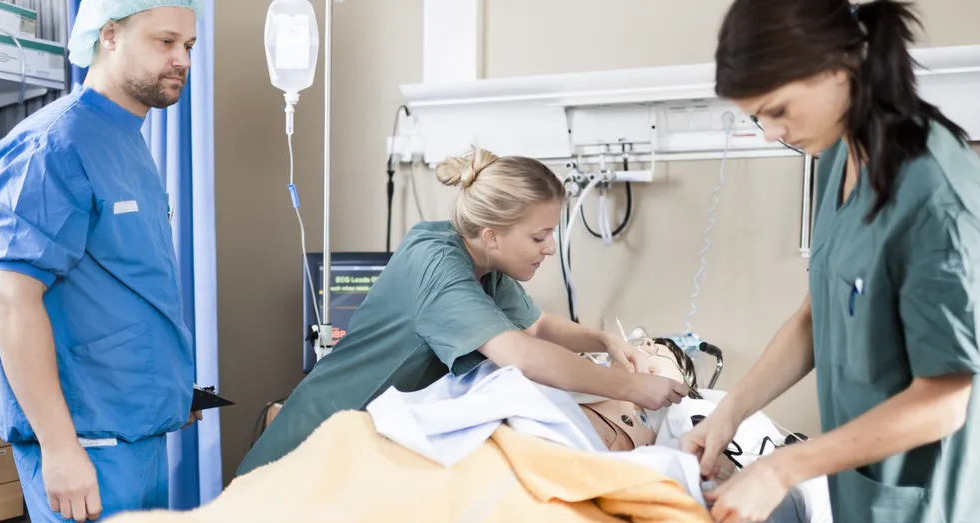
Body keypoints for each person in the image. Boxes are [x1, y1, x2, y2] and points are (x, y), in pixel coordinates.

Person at [681, 1, 980, 523]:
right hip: (889, 516)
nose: (770, 134)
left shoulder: (934, 190)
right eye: (755, 118)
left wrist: (783, 468)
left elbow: (944, 398)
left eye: (775, 109)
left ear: (838, 68)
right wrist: (730, 412)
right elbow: (815, 314)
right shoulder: (838, 158)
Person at [238, 147, 690, 475]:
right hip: (306, 449)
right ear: (492, 234)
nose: (551, 248)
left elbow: (538, 327)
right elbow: (524, 355)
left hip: (362, 450)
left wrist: (607, 341)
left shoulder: (482, 262)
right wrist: (632, 384)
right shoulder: (439, 269)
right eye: (539, 237)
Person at [0, 0, 202, 523]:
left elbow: (125, 289)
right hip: (86, 446)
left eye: (189, 47)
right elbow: (11, 300)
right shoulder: (53, 145)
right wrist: (58, 449)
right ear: (109, 36)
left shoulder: (127, 140)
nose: (181, 60)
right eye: (165, 42)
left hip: (139, 436)